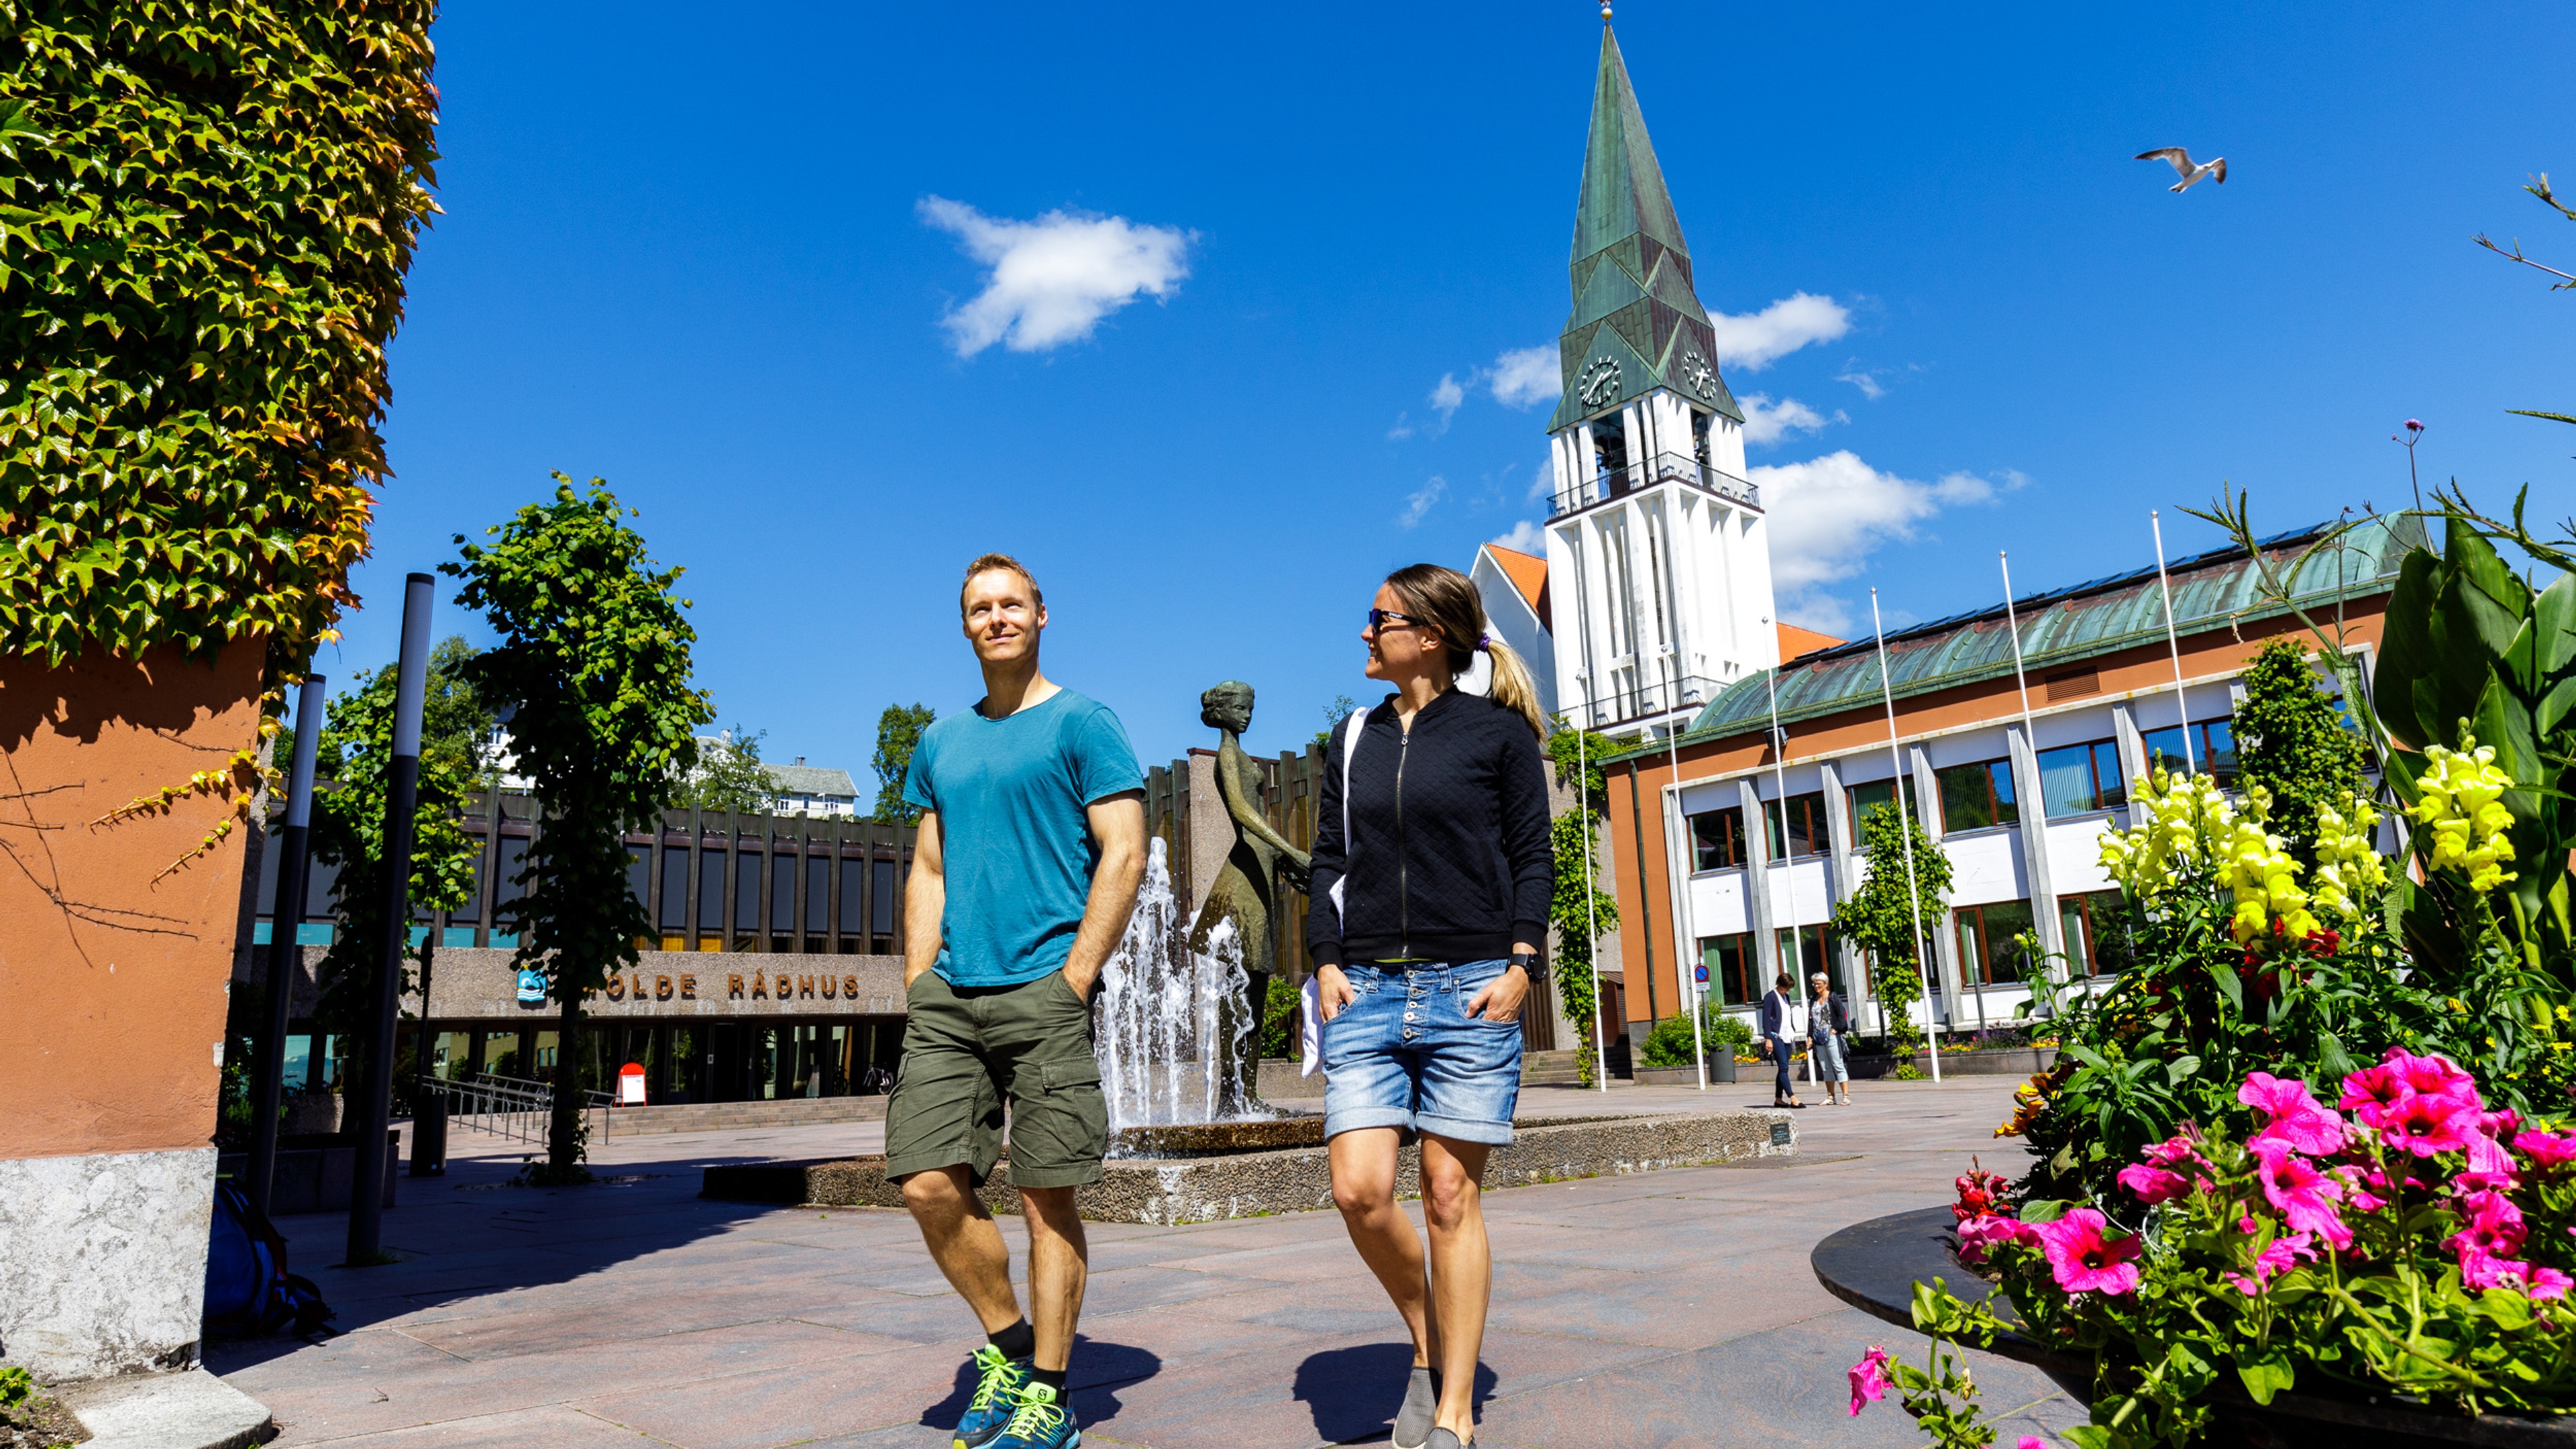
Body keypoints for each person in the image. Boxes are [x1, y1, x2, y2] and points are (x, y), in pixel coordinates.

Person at [885, 553, 1146, 1449]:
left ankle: (1050, 1394)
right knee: (925, 1182)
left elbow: (1126, 853)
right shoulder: (940, 741)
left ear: (1041, 614)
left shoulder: (1083, 722)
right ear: (964, 626)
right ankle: (1010, 1344)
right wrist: (920, 981)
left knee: (1047, 1199)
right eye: (978, 608)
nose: (995, 618)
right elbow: (927, 866)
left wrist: (1075, 977)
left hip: (1045, 988)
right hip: (951, 994)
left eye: (1010, 604)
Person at [1309, 563, 1554, 1449]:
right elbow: (1328, 859)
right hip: (1367, 991)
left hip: (1473, 989)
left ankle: (1454, 1414)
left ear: (1433, 634)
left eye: (1378, 619)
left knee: (1450, 1195)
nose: (1365, 633)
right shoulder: (1350, 738)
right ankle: (1430, 1337)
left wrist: (1523, 964)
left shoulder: (1498, 736)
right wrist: (1325, 962)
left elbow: (1534, 857)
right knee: (1359, 1192)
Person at [1758, 971, 1806, 1109]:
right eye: (1785, 988)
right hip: (1775, 1036)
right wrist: (1768, 1039)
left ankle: (1779, 1099)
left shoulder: (1786, 998)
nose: (1786, 991)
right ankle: (1793, 1098)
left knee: (1783, 1068)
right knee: (1784, 1067)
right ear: (1779, 984)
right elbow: (1766, 1019)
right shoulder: (1770, 997)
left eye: (1788, 988)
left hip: (1787, 1035)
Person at [1808, 971, 1854, 1106]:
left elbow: (1841, 1016)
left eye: (1819, 984)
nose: (1816, 986)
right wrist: (1809, 1036)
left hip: (1831, 1036)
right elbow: (1811, 1020)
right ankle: (1830, 1096)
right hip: (1818, 1037)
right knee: (1825, 1067)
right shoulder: (1814, 1000)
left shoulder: (1833, 997)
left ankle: (1846, 1096)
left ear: (1826, 984)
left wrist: (1835, 1030)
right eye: (1814, 984)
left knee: (1838, 1064)